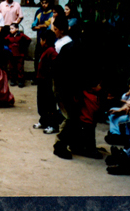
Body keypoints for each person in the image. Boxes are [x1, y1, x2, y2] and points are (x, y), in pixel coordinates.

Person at [51, 15, 82, 160]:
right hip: (64, 85)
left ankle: (73, 143)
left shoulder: (70, 46)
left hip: (66, 85)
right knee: (68, 116)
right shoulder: (70, 47)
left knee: (72, 116)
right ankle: (60, 145)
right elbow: (63, 72)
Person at [32, 30, 61, 134]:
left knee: (49, 104)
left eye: (41, 39)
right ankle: (43, 121)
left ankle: (53, 125)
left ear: (45, 40)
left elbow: (57, 63)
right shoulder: (44, 50)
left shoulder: (51, 51)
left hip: (47, 81)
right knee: (42, 103)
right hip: (41, 80)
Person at [73, 80, 103, 159]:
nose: (101, 87)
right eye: (99, 85)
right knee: (88, 137)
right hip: (85, 120)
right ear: (93, 87)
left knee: (90, 136)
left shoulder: (96, 96)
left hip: (91, 121)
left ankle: (90, 149)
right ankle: (89, 150)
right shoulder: (85, 94)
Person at [31, 0, 53, 80]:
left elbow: (48, 26)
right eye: (42, 3)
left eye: (46, 3)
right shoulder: (39, 12)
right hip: (39, 39)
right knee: (37, 59)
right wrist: (41, 26)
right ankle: (37, 76)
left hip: (48, 40)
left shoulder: (51, 13)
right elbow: (33, 26)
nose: (44, 5)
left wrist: (40, 26)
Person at [5, 23, 31, 88]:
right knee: (11, 68)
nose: (11, 30)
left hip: (20, 54)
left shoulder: (21, 35)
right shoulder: (9, 36)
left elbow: (28, 40)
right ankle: (13, 80)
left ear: (17, 29)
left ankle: (21, 80)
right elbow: (4, 41)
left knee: (20, 68)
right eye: (10, 29)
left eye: (12, 28)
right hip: (11, 54)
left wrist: (24, 48)